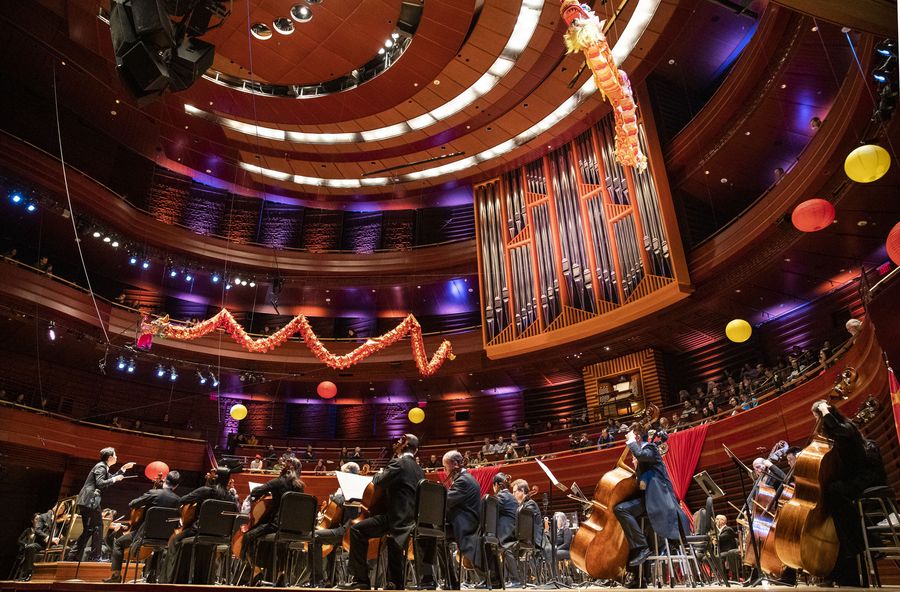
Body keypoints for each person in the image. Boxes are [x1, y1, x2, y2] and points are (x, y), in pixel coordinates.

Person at [812, 399, 887, 585]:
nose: (818, 423)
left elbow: (841, 432)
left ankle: (864, 543)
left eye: (817, 418)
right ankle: (844, 562)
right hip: (850, 481)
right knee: (834, 497)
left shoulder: (846, 427)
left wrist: (824, 411)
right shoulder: (836, 435)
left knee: (834, 492)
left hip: (860, 480)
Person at [341, 434, 424, 590]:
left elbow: (378, 482)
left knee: (357, 530)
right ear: (416, 450)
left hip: (397, 518)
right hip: (412, 519)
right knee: (387, 535)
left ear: (404, 446)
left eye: (399, 442)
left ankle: (361, 579)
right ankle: (395, 581)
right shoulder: (419, 470)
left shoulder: (398, 463)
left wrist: (380, 473)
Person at [613, 424, 689, 568]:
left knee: (621, 510)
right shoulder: (643, 465)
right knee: (620, 509)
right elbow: (643, 485)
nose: (633, 459)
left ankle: (642, 548)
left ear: (637, 437)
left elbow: (641, 455)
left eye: (630, 437)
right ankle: (641, 550)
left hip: (660, 503)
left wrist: (631, 441)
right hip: (649, 502)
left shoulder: (651, 448)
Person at [161, 467, 238, 583]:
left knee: (174, 540)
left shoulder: (205, 491)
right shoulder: (231, 498)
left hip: (199, 531)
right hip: (221, 535)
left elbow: (182, 500)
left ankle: (170, 580)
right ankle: (203, 580)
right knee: (203, 545)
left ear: (216, 477)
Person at [105, 471, 182, 583]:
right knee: (158, 548)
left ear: (165, 480)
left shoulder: (154, 493)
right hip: (165, 538)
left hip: (144, 535)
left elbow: (132, 504)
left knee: (118, 543)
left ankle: (116, 576)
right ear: (176, 486)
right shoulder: (178, 500)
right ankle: (152, 575)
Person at [241, 458, 305, 584]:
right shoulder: (300, 486)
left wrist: (269, 491)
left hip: (278, 524)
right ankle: (282, 573)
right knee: (282, 543)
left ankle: (257, 572)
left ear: (287, 468)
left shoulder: (279, 482)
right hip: (295, 528)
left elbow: (255, 491)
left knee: (247, 537)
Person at [68, 447, 134, 562]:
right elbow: (100, 483)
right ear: (110, 457)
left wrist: (123, 469)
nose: (116, 457)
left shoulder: (103, 467)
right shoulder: (101, 467)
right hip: (90, 500)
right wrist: (115, 479)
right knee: (99, 526)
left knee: (89, 529)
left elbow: (109, 478)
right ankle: (95, 557)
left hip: (87, 501)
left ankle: (72, 556)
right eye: (115, 455)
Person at [310, 462, 360, 586]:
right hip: (349, 530)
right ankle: (332, 580)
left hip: (347, 531)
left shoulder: (353, 488)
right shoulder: (355, 487)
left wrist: (334, 496)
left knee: (314, 536)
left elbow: (341, 501)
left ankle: (316, 580)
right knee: (329, 539)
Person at [15, 512, 54, 580]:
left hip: (37, 548)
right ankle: (25, 574)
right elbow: (19, 540)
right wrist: (25, 544)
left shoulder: (43, 529)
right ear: (32, 521)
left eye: (39, 519)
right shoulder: (28, 530)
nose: (38, 520)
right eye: (36, 519)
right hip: (29, 549)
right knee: (29, 552)